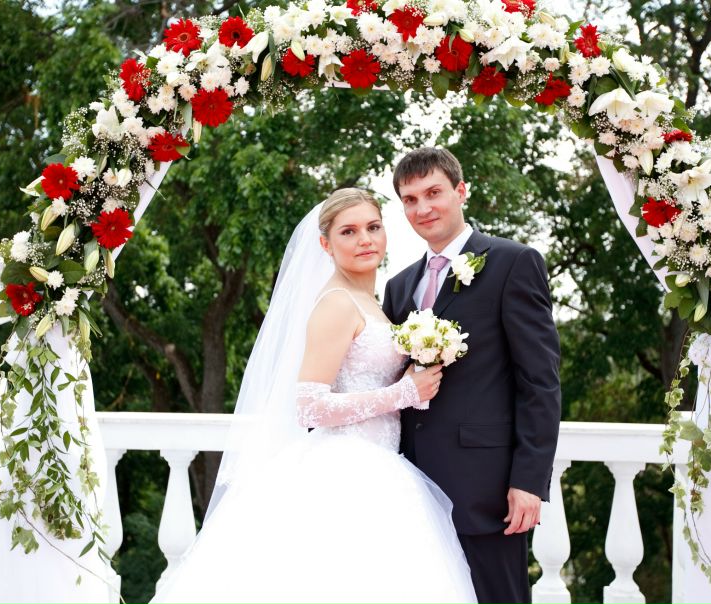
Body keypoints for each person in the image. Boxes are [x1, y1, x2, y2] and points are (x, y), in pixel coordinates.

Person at [150, 188, 476, 604]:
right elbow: (309, 406)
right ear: (325, 244)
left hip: (380, 467)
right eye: (349, 232)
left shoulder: (370, 301)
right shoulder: (337, 303)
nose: (365, 240)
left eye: (373, 227)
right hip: (344, 471)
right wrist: (402, 393)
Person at [382, 147, 562, 604]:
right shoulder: (399, 286)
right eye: (410, 200)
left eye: (433, 193)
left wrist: (529, 481)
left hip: (486, 488)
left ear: (461, 191)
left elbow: (539, 382)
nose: (422, 208)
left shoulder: (513, 263)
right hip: (412, 486)